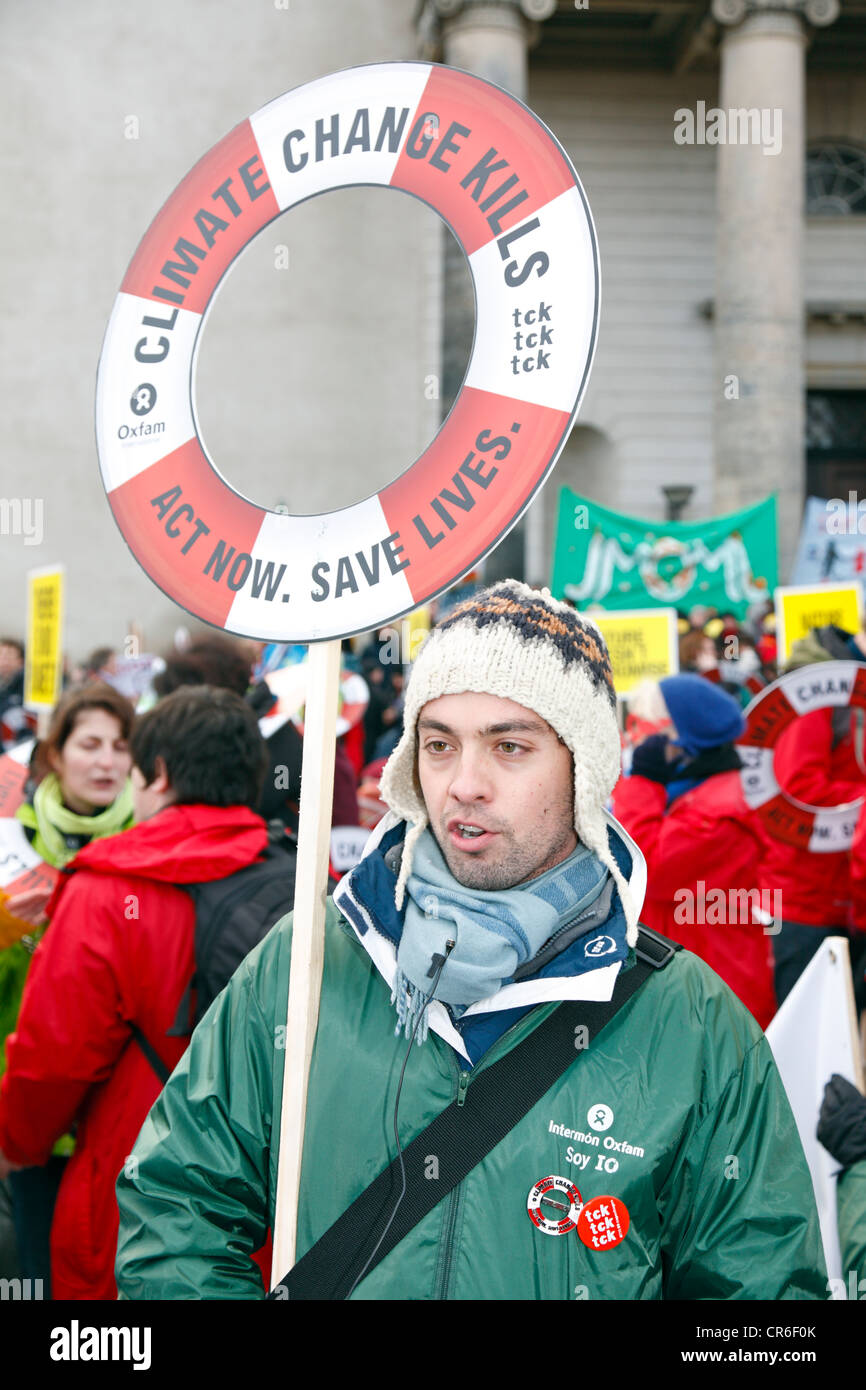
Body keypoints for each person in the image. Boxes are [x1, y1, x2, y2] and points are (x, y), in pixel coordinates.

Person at [114, 582, 826, 1300]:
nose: (464, 784)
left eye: (509, 746)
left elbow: (762, 1298)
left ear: (583, 769)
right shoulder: (306, 961)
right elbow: (178, 1204)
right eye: (439, 745)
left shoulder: (692, 1021)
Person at [0, 686, 272, 1299]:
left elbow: (54, 1054)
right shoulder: (306, 878)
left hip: (135, 1178)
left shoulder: (107, 887)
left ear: (159, 774)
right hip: (266, 1186)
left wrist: (19, 1144)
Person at [0, 681, 136, 1292]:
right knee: (37, 1275)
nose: (106, 761)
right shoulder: (11, 844)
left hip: (124, 1118)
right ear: (55, 755)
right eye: (89, 744)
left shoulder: (149, 845)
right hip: (30, 1117)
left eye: (119, 745)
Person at [612, 674, 776, 1030]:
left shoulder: (717, 813)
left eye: (646, 726)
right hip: (684, 984)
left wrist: (642, 781)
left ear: (681, 738)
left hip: (717, 993)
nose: (637, 738)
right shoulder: (685, 793)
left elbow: (642, 867)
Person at [759, 623, 866, 1005]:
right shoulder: (819, 694)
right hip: (806, 901)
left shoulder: (850, 685)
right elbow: (799, 789)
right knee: (805, 1031)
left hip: (841, 893)